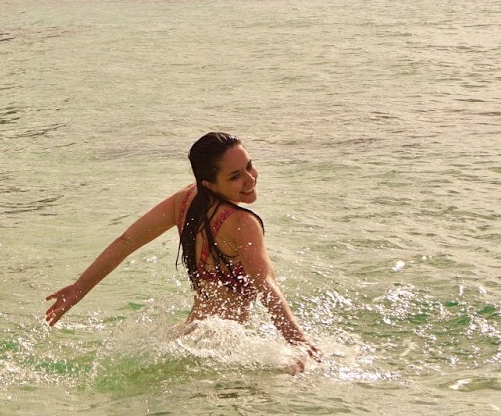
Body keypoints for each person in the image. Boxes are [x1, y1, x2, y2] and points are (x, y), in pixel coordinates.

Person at [44, 132, 319, 363]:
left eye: (250, 165)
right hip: (221, 350)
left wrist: (81, 287)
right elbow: (265, 284)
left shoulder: (186, 200)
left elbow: (127, 241)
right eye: (235, 176)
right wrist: (297, 339)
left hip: (191, 334)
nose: (250, 179)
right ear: (210, 183)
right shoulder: (242, 223)